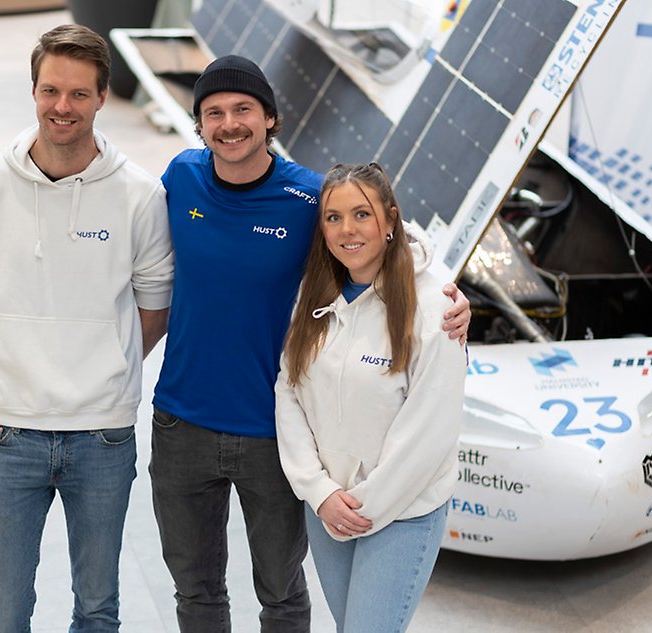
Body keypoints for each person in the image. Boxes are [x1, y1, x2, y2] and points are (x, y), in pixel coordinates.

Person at [148, 54, 471, 632]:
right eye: (213, 113)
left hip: (269, 431)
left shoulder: (307, 198)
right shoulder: (181, 177)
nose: (229, 124)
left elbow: (375, 229)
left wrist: (447, 292)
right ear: (199, 125)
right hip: (181, 423)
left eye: (243, 109)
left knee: (282, 592)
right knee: (194, 590)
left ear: (270, 117)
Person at [0, 25, 173, 632]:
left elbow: (154, 309)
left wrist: (104, 357)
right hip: (8, 430)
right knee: (4, 611)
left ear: (102, 97)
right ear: (33, 91)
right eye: (50, 91)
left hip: (101, 434)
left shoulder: (140, 195)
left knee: (97, 608)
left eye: (78, 94)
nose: (62, 107)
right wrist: (24, 347)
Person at [275, 162, 466, 632]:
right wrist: (320, 494)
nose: (347, 230)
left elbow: (430, 428)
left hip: (401, 511)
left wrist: (366, 507)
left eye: (361, 214)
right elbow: (289, 390)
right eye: (333, 218)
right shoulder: (313, 294)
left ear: (391, 220)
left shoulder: (435, 306)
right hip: (329, 507)